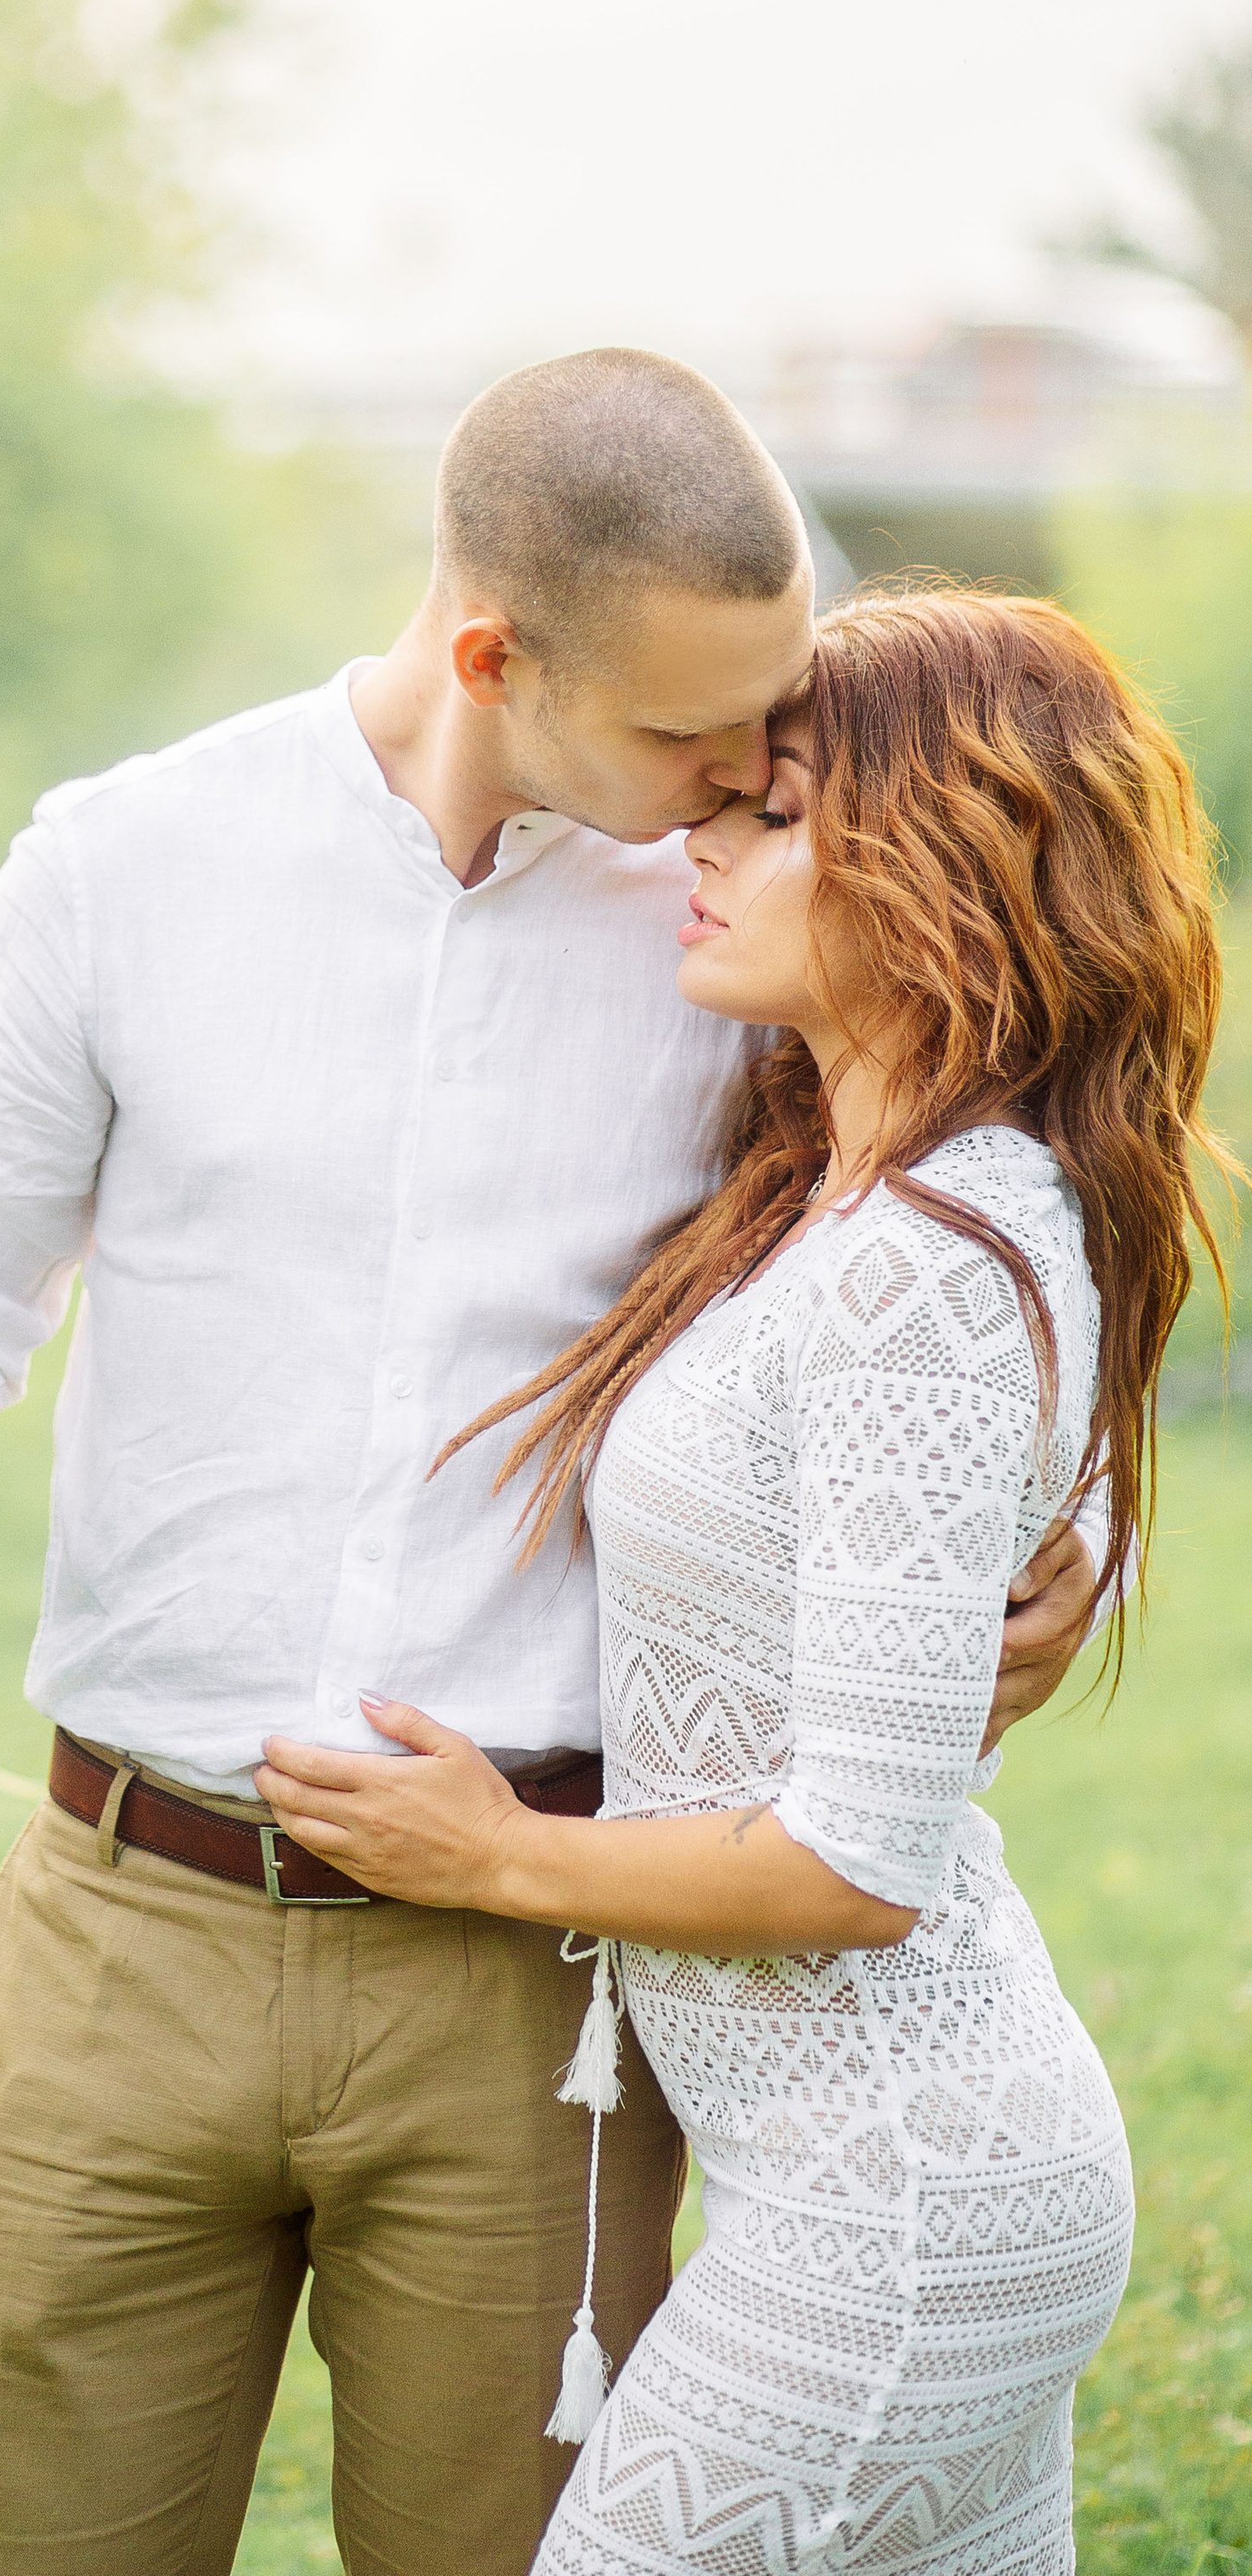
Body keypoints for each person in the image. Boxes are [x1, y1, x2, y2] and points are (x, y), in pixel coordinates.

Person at [0, 355, 1099, 2575]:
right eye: (690, 740)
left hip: (537, 1990)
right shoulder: (127, 861)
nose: (745, 782)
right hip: (123, 1933)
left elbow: (969, 1206)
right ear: (493, 657)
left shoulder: (735, 931)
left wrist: (1080, 1541)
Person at [257, 585, 1226, 2576]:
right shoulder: (874, 1188)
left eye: (767, 814)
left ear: (942, 862)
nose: (693, 839)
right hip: (895, 2181)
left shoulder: (924, 1259)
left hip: (893, 2209)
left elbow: (856, 1867)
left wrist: (489, 1856)